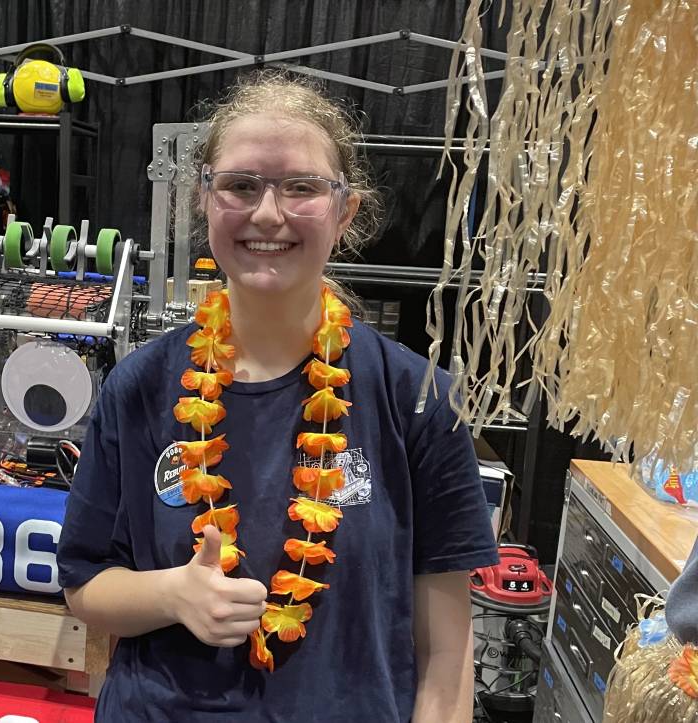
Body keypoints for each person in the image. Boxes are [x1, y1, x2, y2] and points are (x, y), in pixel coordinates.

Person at [57, 70, 498, 722]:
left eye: (302, 188)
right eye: (241, 185)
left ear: (345, 210)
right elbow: (85, 582)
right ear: (203, 200)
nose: (268, 213)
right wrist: (174, 593)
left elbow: (446, 660)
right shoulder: (141, 385)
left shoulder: (419, 400)